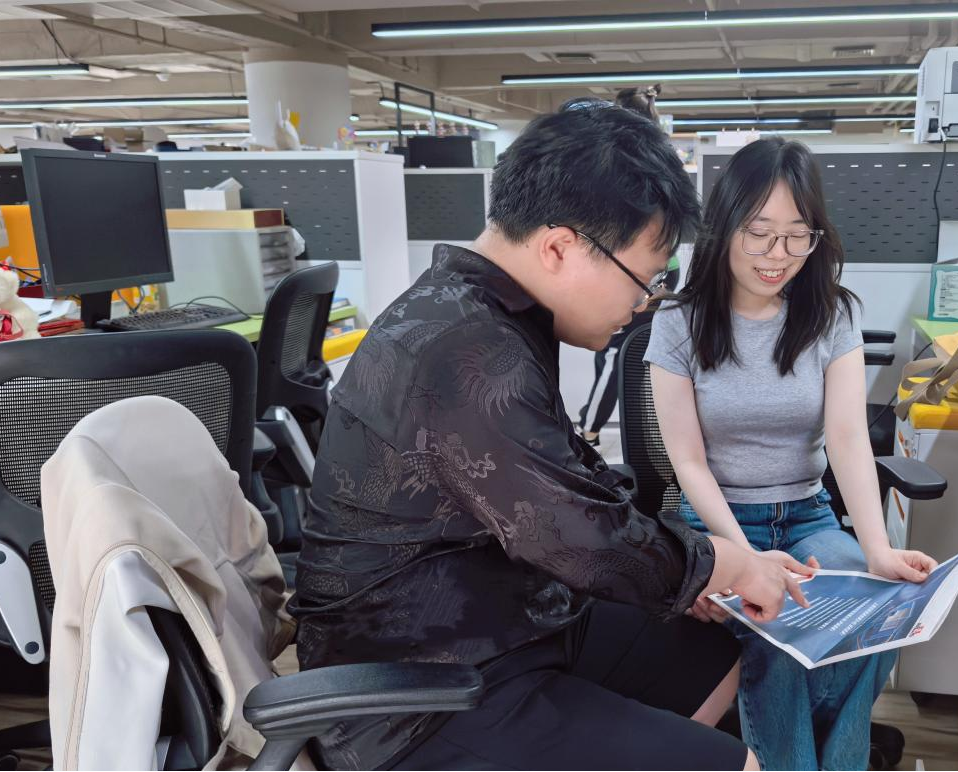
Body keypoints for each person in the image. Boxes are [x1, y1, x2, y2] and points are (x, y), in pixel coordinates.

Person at [291, 100, 815, 771]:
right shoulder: (465, 351)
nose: (642, 303)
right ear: (560, 247)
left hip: (503, 619)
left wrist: (697, 573)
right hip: (416, 691)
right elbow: (578, 538)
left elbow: (574, 479)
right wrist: (723, 565)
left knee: (708, 654)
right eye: (643, 279)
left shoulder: (483, 313)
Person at [646, 137, 939, 771]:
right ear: (725, 228)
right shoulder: (677, 323)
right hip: (719, 522)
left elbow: (848, 437)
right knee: (777, 633)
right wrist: (744, 560)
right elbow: (688, 462)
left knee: (877, 616)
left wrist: (877, 548)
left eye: (796, 236)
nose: (777, 255)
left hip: (806, 517)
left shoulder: (832, 314)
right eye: (759, 234)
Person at [576, 83, 681, 446]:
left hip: (641, 272)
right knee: (620, 351)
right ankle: (595, 427)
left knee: (615, 352)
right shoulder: (658, 160)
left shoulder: (629, 166)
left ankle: (589, 431)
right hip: (653, 270)